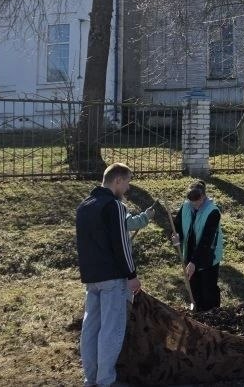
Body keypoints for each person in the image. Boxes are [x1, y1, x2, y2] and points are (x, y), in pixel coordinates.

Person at [75, 163, 141, 387]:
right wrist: (131, 274)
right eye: (128, 181)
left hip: (91, 277)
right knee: (111, 330)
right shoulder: (115, 206)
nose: (128, 187)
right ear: (118, 181)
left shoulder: (84, 206)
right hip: (113, 278)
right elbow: (122, 245)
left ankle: (90, 378)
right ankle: (106, 381)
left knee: (90, 328)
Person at [171, 186, 225, 312]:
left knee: (208, 289)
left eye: (197, 202)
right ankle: (198, 313)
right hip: (189, 253)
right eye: (191, 202)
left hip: (208, 256)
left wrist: (194, 262)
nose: (194, 206)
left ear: (203, 197)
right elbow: (177, 225)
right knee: (194, 287)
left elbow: (207, 240)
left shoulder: (213, 212)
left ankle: (213, 315)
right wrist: (175, 236)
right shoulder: (185, 207)